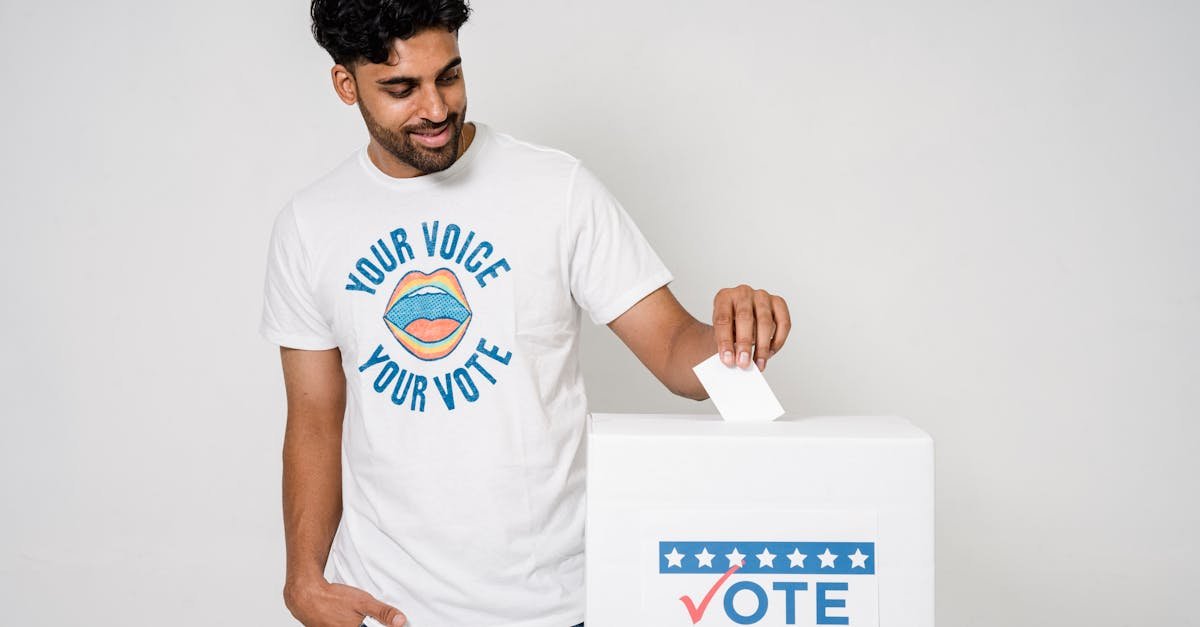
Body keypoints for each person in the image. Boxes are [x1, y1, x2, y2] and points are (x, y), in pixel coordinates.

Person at [258, 1, 792, 626]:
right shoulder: (309, 224)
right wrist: (303, 581)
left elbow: (675, 351)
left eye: (449, 77)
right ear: (346, 85)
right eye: (402, 88)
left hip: (554, 605)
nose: (435, 109)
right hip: (384, 605)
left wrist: (738, 336)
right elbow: (316, 417)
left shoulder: (556, 190)